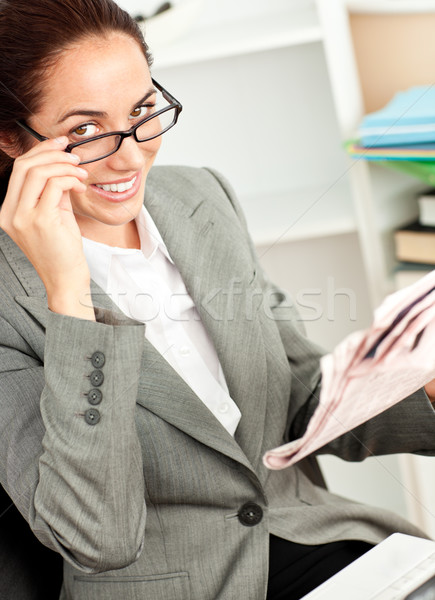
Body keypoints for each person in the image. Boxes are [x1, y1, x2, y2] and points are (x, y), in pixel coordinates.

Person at [0, 1, 434, 599]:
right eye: (84, 131)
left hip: (315, 543)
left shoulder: (199, 196)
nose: (130, 157)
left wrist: (427, 384)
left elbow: (300, 400)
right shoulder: (9, 298)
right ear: (10, 139)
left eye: (143, 111)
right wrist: (69, 298)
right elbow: (96, 537)